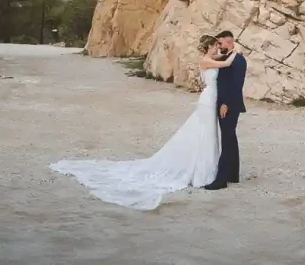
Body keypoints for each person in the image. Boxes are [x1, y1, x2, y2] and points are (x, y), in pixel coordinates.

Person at [49, 35, 238, 210]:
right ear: (209, 46)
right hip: (208, 100)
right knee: (205, 134)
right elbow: (227, 63)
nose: (218, 48)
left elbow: (221, 61)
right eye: (216, 45)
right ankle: (202, 174)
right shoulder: (206, 61)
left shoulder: (211, 59)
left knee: (207, 135)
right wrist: (235, 51)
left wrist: (226, 52)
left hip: (211, 98)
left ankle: (206, 172)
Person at [204, 30, 247, 191]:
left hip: (229, 105)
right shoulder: (226, 58)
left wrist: (226, 103)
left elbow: (236, 84)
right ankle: (232, 174)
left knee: (227, 140)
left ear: (229, 42)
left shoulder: (239, 60)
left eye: (220, 43)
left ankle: (221, 180)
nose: (219, 45)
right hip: (223, 103)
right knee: (230, 137)